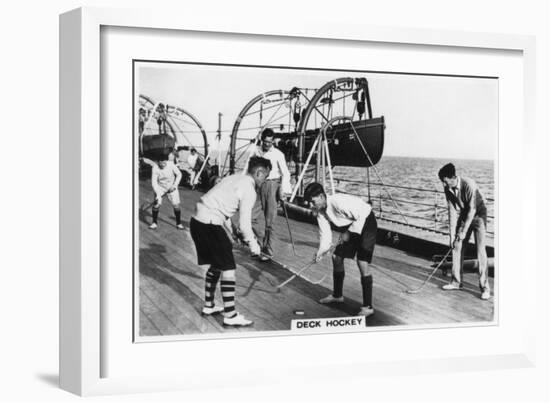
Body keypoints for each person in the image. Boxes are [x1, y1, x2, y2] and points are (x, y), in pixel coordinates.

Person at [190, 156, 272, 326]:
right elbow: (245, 224)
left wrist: (233, 232)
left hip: (197, 222)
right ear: (259, 173)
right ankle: (230, 315)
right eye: (265, 176)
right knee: (228, 268)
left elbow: (222, 209)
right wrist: (254, 244)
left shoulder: (233, 177)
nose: (264, 181)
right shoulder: (250, 190)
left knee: (217, 264)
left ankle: (209, 305)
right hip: (210, 224)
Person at [304, 182, 378, 318]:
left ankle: (368, 307)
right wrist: (319, 253)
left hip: (367, 221)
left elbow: (362, 213)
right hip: (350, 225)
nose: (310, 205)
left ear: (321, 196)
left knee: (362, 261)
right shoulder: (320, 212)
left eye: (312, 201)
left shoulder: (338, 202)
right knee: (336, 257)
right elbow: (325, 237)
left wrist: (349, 233)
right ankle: (337, 296)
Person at [438, 163, 490, 300]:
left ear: (452, 177)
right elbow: (452, 211)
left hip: (479, 215)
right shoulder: (447, 188)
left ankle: (485, 288)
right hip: (465, 215)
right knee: (457, 247)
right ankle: (456, 282)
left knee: (480, 250)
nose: (443, 184)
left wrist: (464, 231)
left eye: (444, 180)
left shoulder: (469, 184)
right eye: (442, 181)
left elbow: (472, 210)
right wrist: (452, 236)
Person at [245, 128, 292, 261]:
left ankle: (268, 251)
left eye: (270, 142)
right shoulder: (256, 151)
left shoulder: (278, 154)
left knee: (270, 222)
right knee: (249, 218)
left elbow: (286, 173)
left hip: (272, 185)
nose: (267, 145)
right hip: (258, 185)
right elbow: (250, 169)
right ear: (262, 140)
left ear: (273, 141)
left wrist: (283, 190)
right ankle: (261, 245)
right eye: (265, 142)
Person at [149, 158, 183, 230]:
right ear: (158, 161)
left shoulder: (171, 164)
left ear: (166, 161)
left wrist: (174, 185)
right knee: (156, 205)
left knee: (176, 205)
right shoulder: (155, 168)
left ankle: (179, 223)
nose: (163, 164)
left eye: (164, 162)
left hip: (172, 187)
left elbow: (179, 174)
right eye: (161, 162)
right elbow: (154, 182)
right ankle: (154, 223)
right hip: (160, 187)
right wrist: (158, 195)